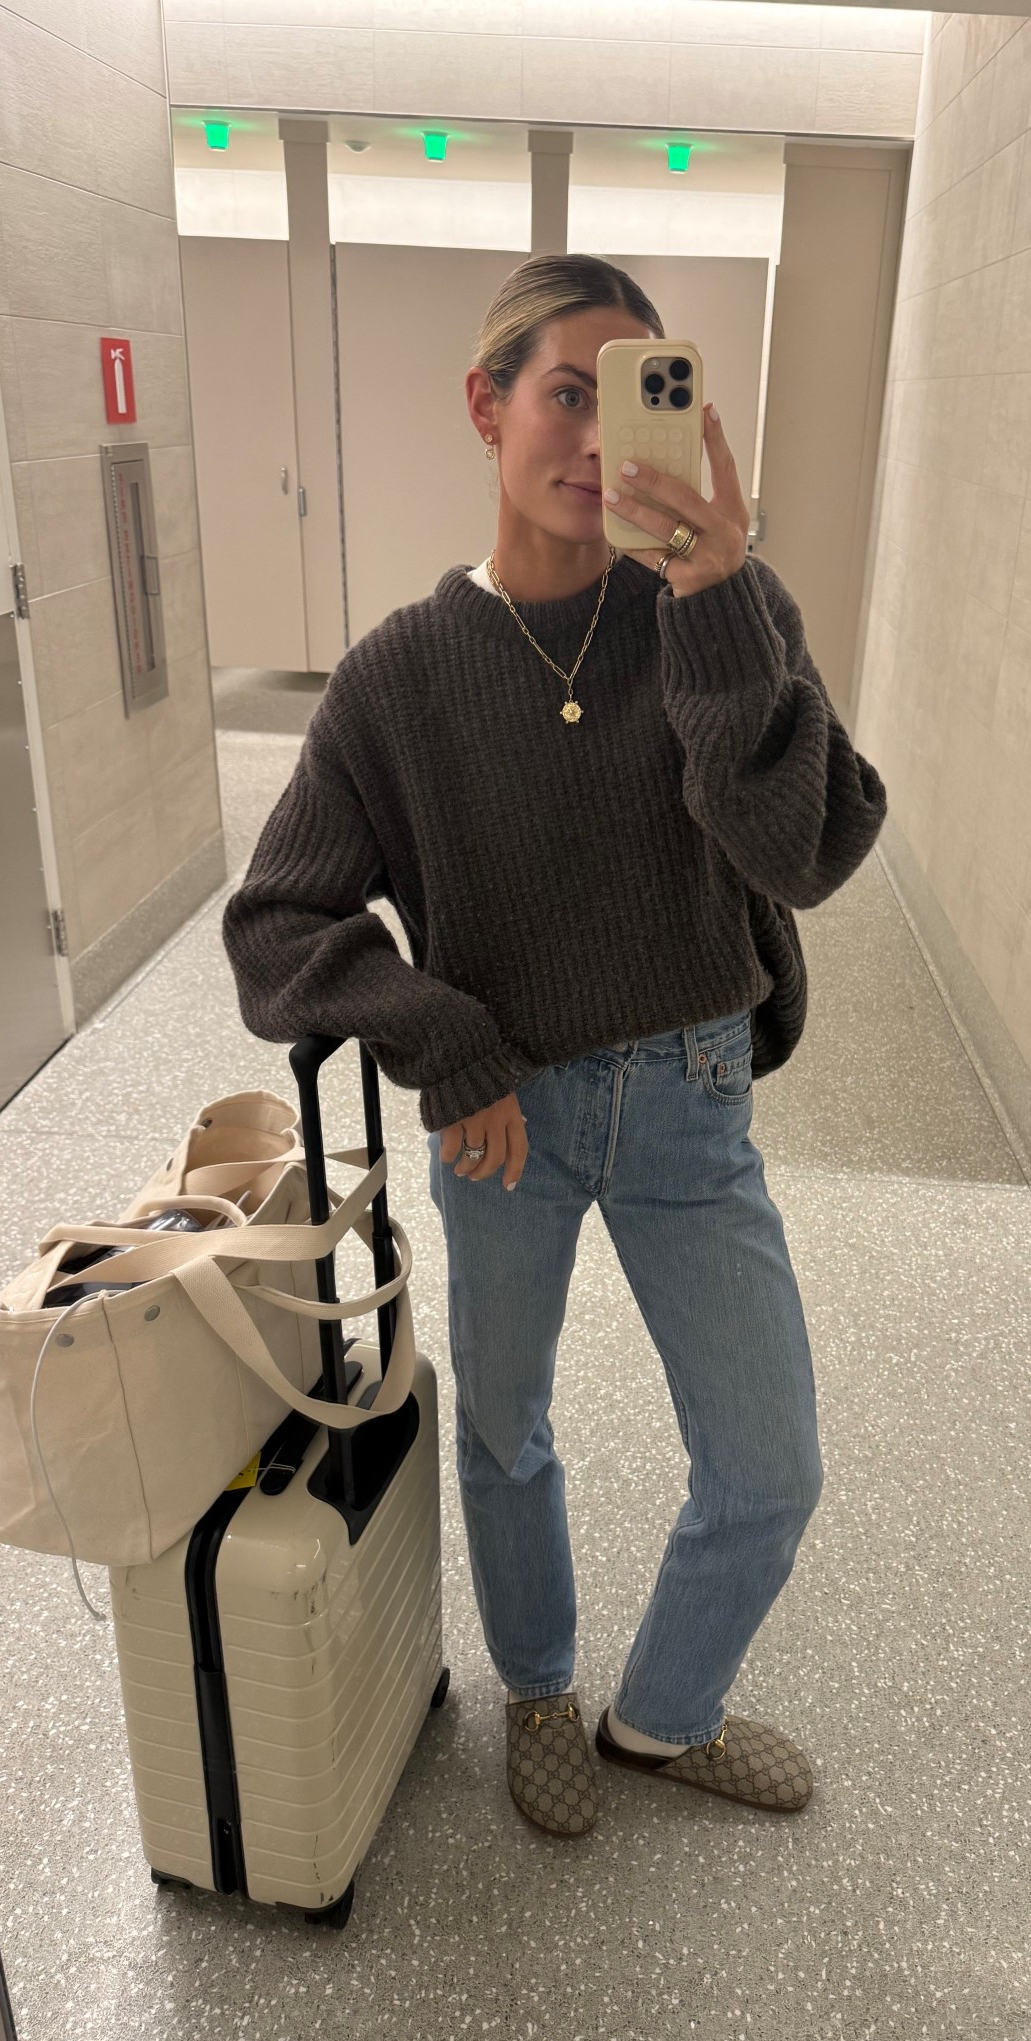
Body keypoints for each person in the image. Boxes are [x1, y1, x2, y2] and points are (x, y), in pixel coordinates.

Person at [222, 253, 888, 1838]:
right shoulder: (399, 676)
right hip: (501, 1118)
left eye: (637, 399)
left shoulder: (720, 608)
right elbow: (275, 923)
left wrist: (718, 608)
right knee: (505, 1433)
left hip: (693, 1101)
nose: (597, 441)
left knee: (769, 1467)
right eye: (565, 394)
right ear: (488, 405)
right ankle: (536, 1689)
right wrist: (440, 1035)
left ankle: (662, 1719)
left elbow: (809, 852)